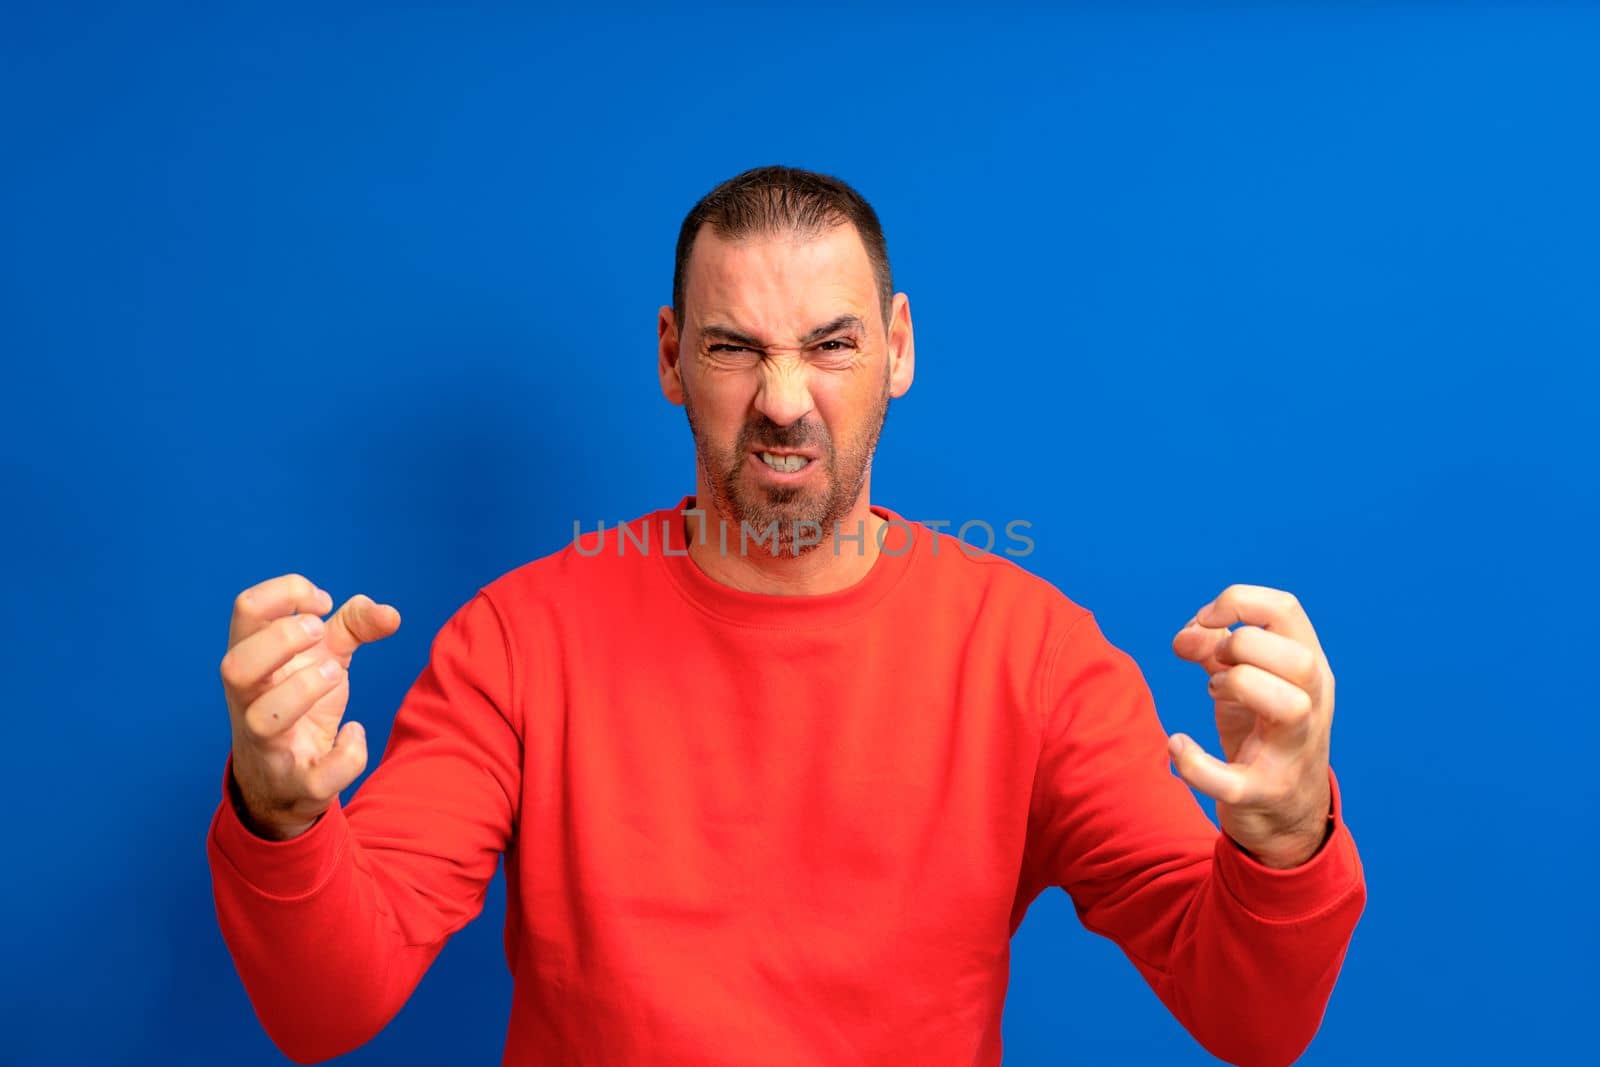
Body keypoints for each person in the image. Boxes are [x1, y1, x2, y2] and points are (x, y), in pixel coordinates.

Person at [209, 166, 1366, 1067]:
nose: (781, 399)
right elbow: (326, 1009)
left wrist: (1285, 840)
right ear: (671, 358)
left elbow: (1246, 1017)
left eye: (830, 344)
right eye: (732, 348)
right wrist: (281, 818)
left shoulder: (1032, 655)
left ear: (897, 349)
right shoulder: (518, 640)